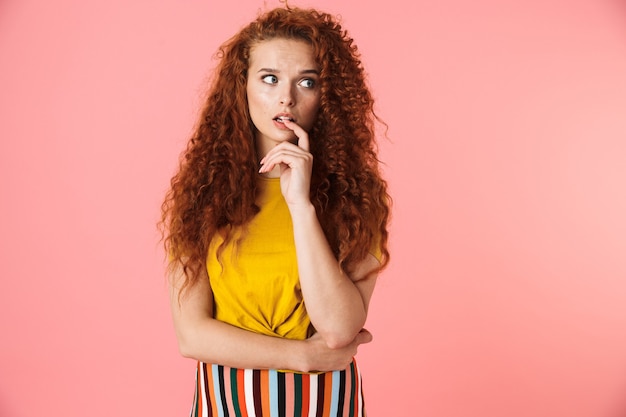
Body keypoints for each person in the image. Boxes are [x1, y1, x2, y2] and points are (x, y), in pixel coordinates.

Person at [160, 6, 390, 416]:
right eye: (270, 79)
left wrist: (300, 205)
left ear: (328, 95)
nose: (286, 97)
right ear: (242, 86)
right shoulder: (202, 193)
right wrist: (303, 357)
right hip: (225, 401)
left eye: (307, 81)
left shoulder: (356, 198)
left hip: (324, 403)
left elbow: (338, 328)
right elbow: (192, 336)